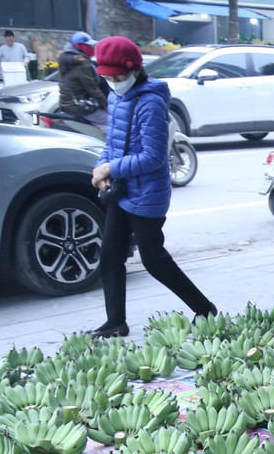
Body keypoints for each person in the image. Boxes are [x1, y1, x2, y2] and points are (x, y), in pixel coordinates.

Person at [86, 36, 216, 339]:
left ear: (134, 70)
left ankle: (204, 309)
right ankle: (115, 321)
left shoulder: (150, 102)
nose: (113, 81)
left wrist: (111, 168)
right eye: (107, 76)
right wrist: (101, 168)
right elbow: (112, 143)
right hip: (122, 190)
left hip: (147, 195)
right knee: (110, 256)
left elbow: (153, 157)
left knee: (154, 260)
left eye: (118, 75)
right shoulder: (116, 96)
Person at [56, 31, 108, 129]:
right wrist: (107, 106)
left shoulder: (66, 61)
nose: (92, 49)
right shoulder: (81, 64)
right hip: (81, 108)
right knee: (114, 122)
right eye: (88, 46)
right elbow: (93, 89)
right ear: (79, 46)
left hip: (67, 106)